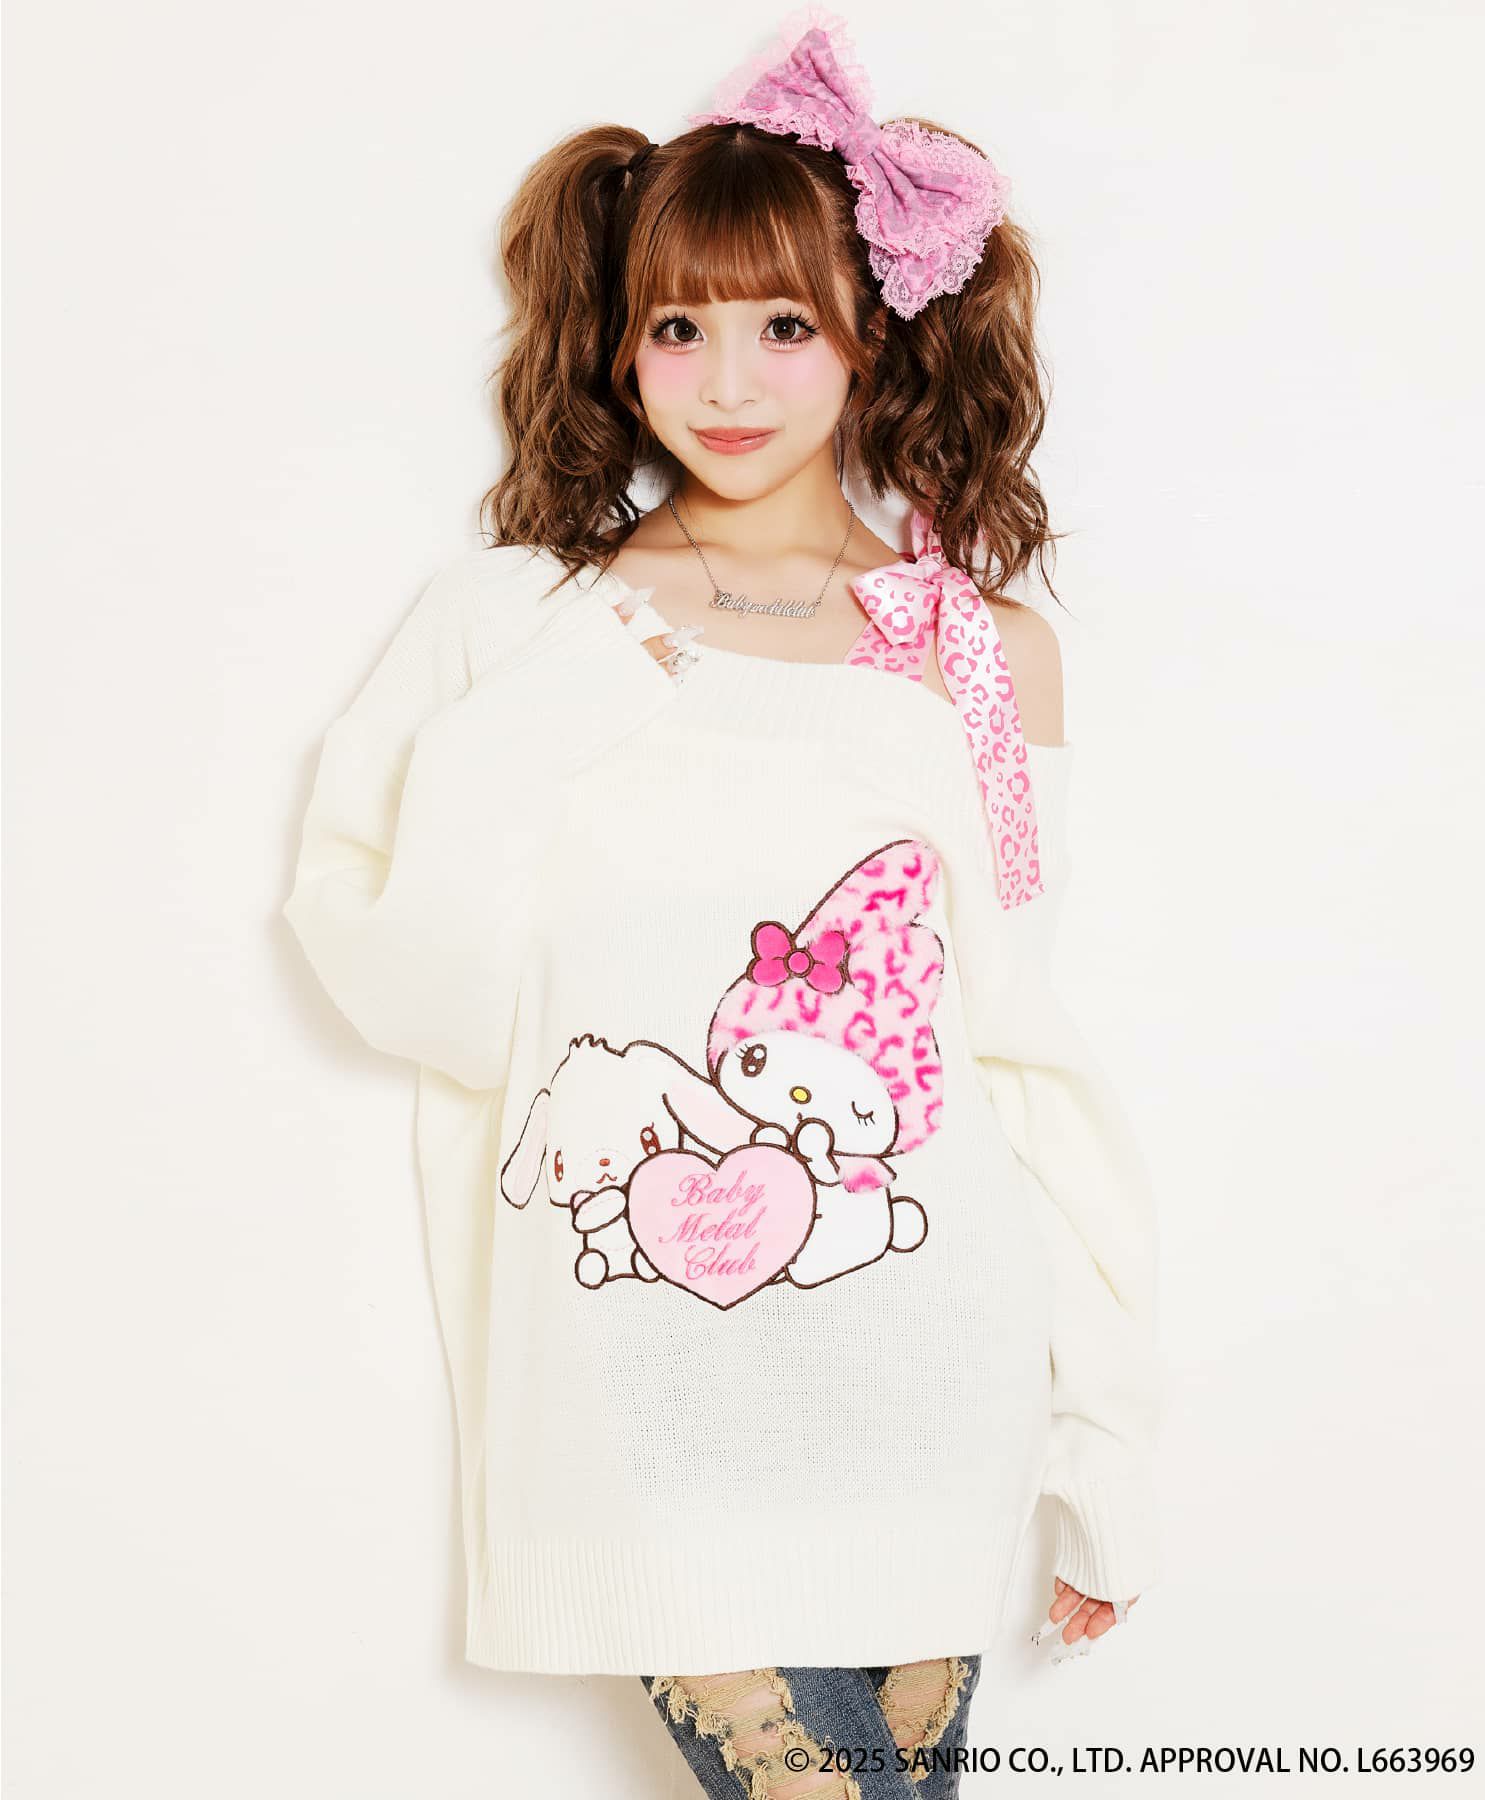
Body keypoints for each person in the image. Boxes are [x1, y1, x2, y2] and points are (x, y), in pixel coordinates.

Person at [280, 6, 1161, 1794]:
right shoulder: (516, 625)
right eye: (679, 327)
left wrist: (1105, 1432)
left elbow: (1014, 1057)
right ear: (619, 345)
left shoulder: (978, 654)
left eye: (785, 325)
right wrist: (577, 690)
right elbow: (408, 983)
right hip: (639, 1390)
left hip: (924, 1377)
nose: (729, 382)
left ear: (874, 336)